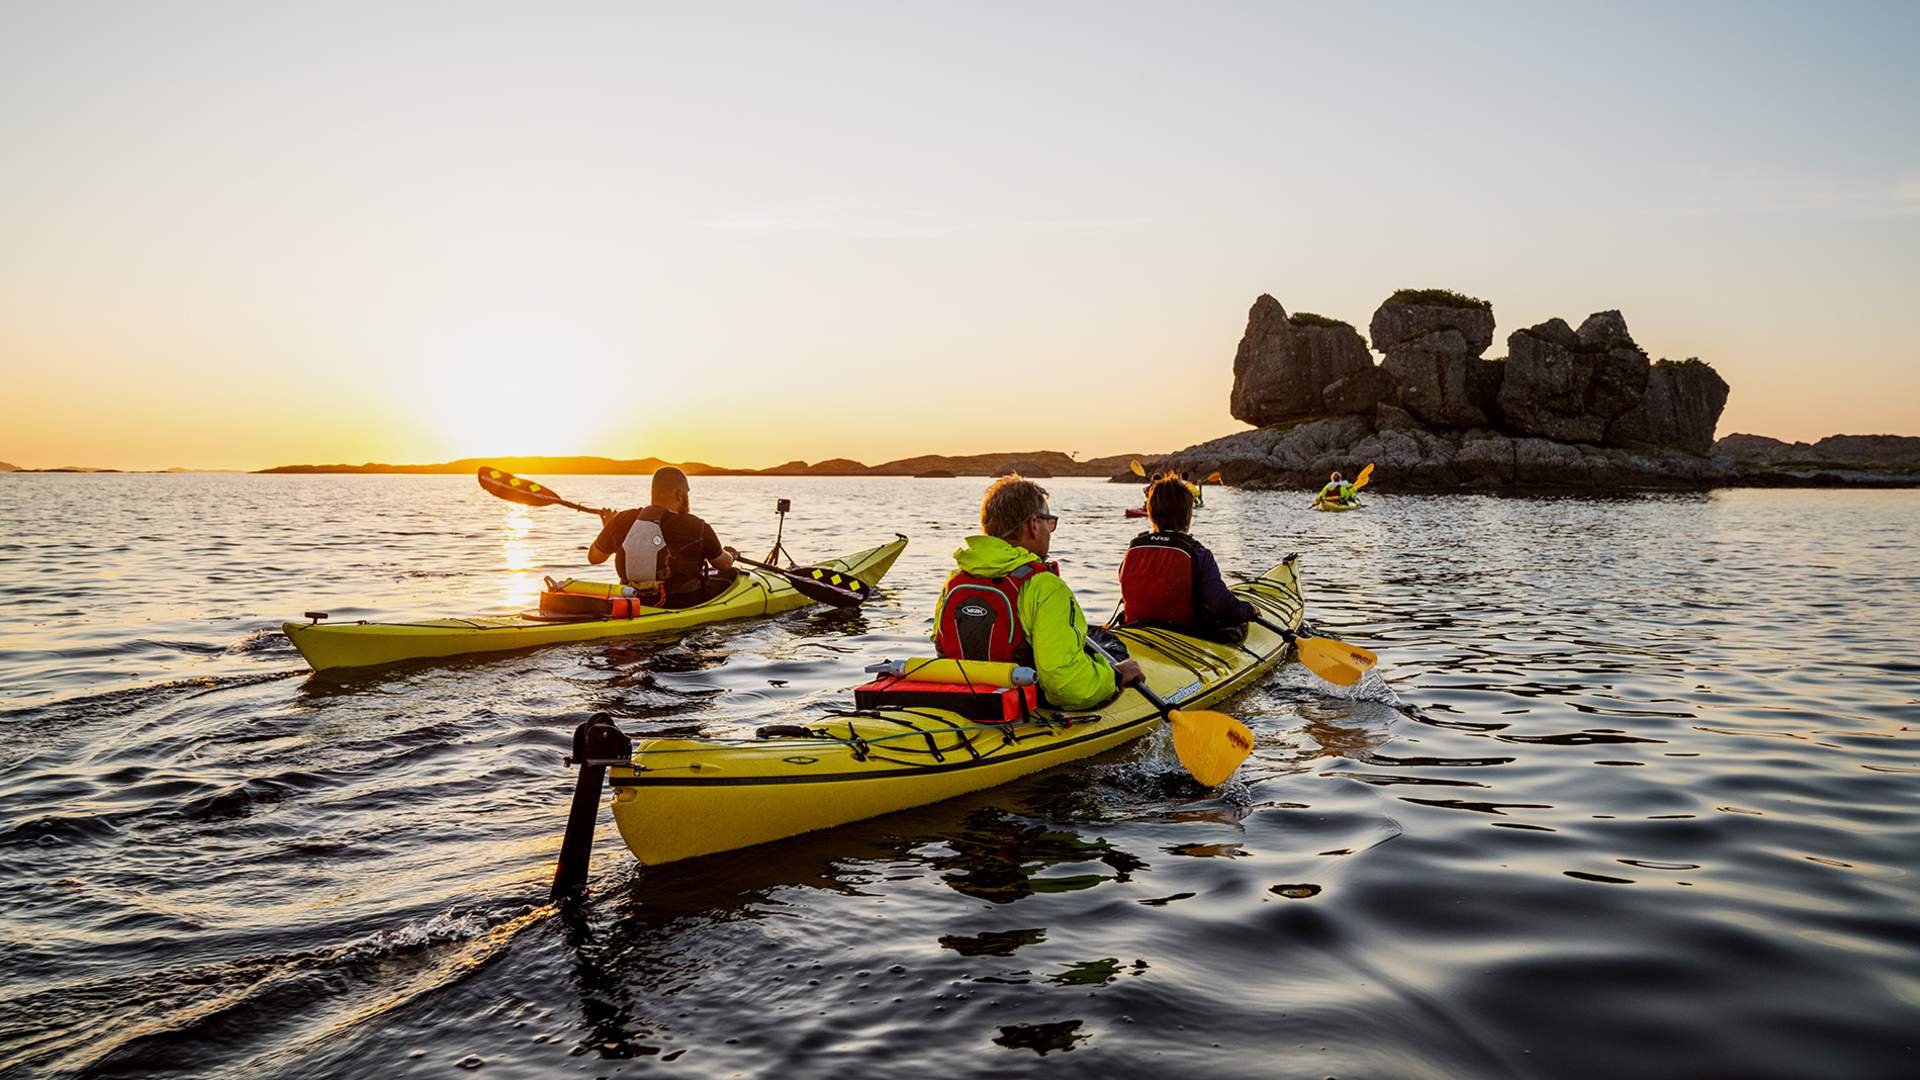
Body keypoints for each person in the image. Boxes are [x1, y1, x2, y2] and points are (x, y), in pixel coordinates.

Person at [933, 474, 1143, 709]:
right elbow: (1064, 685)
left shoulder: (955, 580)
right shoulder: (1044, 586)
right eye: (1049, 521)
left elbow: (940, 646)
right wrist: (1114, 677)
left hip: (964, 701)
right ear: (1034, 525)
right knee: (1107, 647)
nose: (1049, 530)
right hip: (1027, 706)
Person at [1119, 475, 1257, 640]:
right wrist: (1249, 610)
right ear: (1188, 514)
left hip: (1135, 631)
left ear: (1150, 513)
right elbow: (1222, 607)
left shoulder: (1133, 548)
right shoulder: (1198, 554)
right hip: (1185, 635)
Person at [588, 467, 737, 608]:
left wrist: (610, 528)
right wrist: (732, 555)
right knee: (731, 574)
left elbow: (594, 558)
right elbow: (723, 564)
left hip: (633, 602)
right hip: (682, 603)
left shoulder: (621, 520)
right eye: (686, 494)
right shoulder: (696, 526)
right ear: (680, 494)